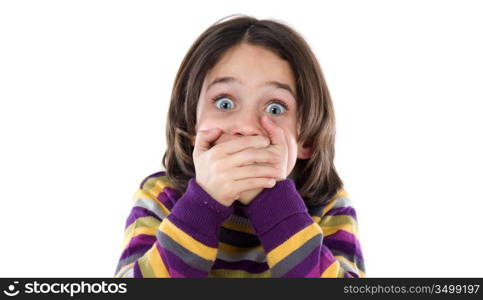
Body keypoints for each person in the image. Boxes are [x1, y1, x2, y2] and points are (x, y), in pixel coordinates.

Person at [114, 15, 365, 278]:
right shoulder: (161, 196)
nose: (246, 126)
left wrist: (273, 204)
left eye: (275, 108)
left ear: (307, 140)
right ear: (191, 125)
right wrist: (204, 204)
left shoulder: (328, 207)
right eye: (224, 103)